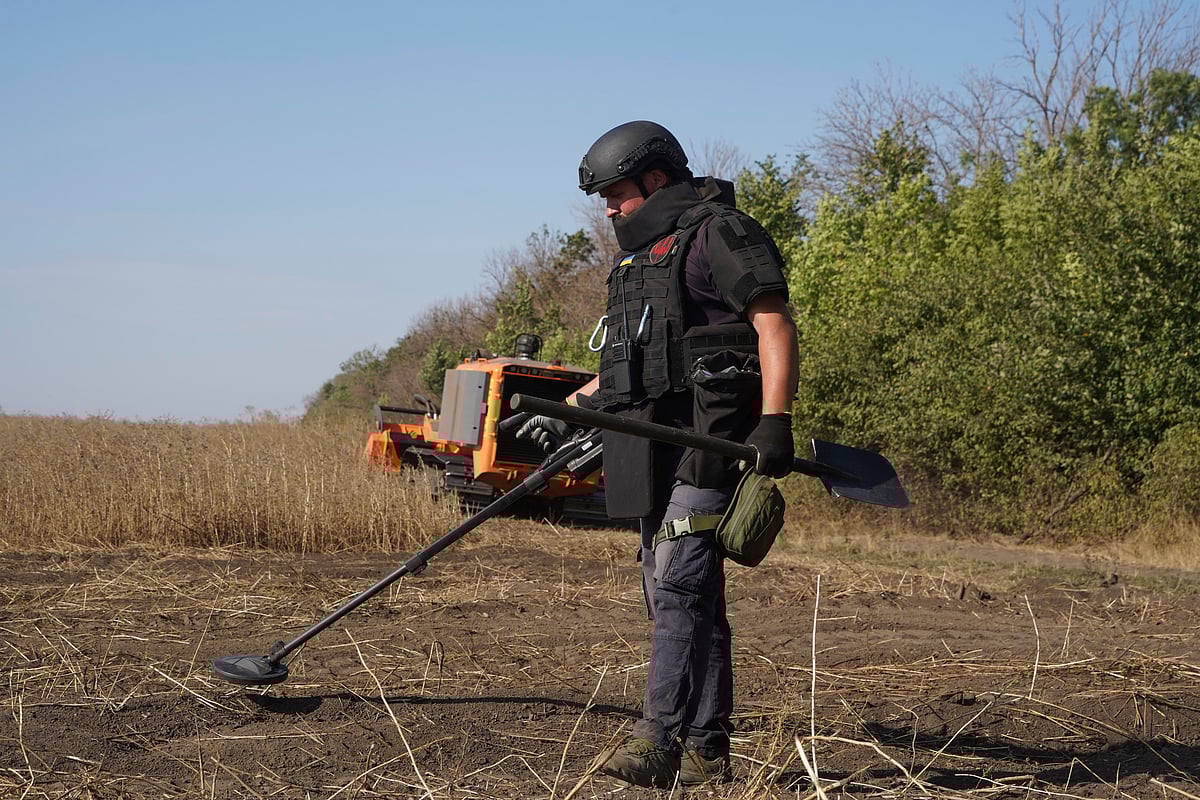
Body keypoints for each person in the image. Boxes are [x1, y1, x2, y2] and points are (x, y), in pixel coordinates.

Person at [518, 120, 799, 788]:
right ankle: (708, 744)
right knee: (680, 594)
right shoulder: (636, 265)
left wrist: (775, 420)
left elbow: (773, 323)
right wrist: (570, 409)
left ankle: (659, 741)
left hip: (710, 446)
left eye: (616, 194)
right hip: (648, 451)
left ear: (654, 180)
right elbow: (627, 367)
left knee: (678, 585)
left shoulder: (719, 234)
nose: (609, 209)